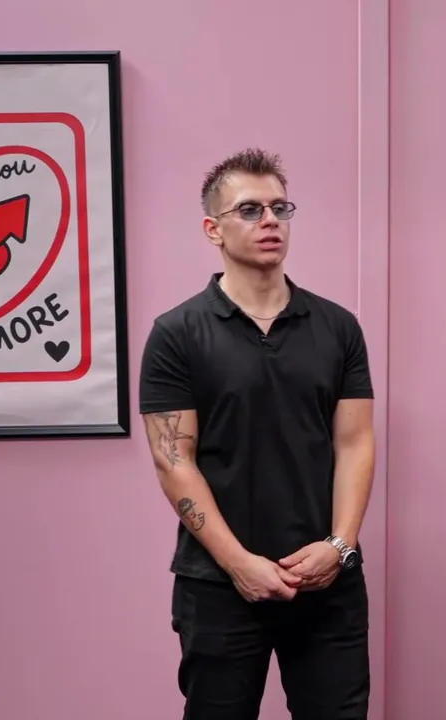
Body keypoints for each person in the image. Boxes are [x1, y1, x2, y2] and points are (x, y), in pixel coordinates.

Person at [137, 148, 376, 720]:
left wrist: (339, 546)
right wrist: (239, 563)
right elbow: (174, 460)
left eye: (279, 208)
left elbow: (355, 443)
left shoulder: (338, 327)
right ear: (212, 229)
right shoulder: (176, 333)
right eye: (249, 210)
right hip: (218, 584)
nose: (270, 221)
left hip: (326, 580)